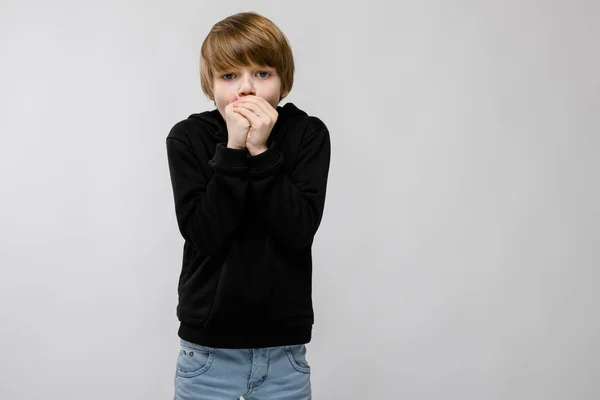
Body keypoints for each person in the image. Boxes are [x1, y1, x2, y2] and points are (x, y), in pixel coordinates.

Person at [165, 11, 331, 400]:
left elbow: (298, 231)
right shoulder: (188, 138)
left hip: (283, 353)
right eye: (229, 76)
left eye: (261, 73)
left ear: (283, 82)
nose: (246, 89)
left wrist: (260, 149)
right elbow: (204, 234)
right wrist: (234, 149)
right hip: (207, 353)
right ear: (210, 85)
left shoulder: (308, 134)